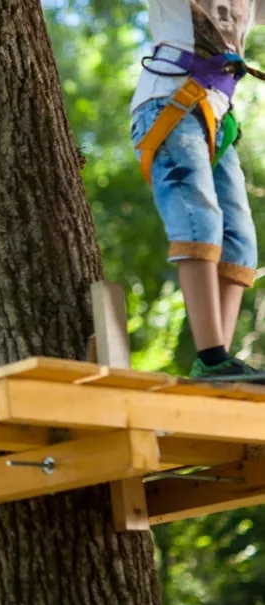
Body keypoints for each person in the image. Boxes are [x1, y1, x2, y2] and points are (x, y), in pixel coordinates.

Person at [131, 0, 265, 380]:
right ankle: (212, 357)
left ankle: (219, 365)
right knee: (199, 218)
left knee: (240, 242)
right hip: (169, 102)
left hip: (216, 119)